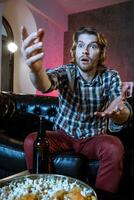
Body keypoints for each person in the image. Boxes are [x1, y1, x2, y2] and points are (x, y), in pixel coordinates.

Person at [21, 26, 132, 193]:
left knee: (114, 146)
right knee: (32, 140)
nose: (85, 51)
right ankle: (46, 191)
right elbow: (45, 84)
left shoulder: (110, 76)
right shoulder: (67, 71)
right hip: (63, 135)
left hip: (94, 138)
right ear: (75, 50)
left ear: (100, 53)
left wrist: (120, 112)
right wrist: (36, 70)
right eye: (81, 45)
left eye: (92, 46)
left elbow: (120, 109)